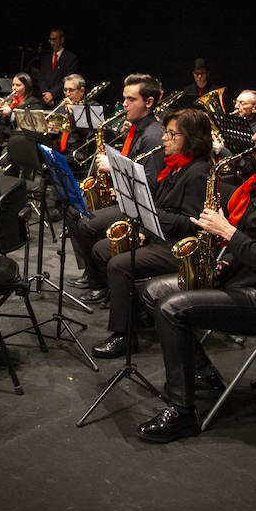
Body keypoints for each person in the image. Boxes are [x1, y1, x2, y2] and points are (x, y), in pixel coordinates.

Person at [136, 99, 256, 442]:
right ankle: (203, 373)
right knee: (152, 291)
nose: (255, 138)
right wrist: (224, 259)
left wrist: (228, 234)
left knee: (172, 308)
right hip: (242, 275)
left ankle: (182, 412)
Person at [88, 109, 213, 358]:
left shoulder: (198, 172)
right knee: (101, 249)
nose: (164, 138)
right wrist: (144, 228)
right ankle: (136, 312)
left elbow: (192, 223)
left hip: (179, 247)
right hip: (159, 236)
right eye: (165, 132)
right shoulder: (174, 167)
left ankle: (124, 335)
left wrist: (150, 214)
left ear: (192, 139)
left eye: (171, 134)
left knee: (119, 265)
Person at [69, 73, 167, 298]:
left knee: (85, 224)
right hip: (124, 196)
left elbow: (150, 186)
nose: (124, 104)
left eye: (131, 99)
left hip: (139, 209)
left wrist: (114, 169)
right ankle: (92, 274)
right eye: (124, 98)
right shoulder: (135, 127)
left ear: (149, 102)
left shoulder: (152, 136)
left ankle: (100, 284)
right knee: (73, 210)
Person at [31, 27, 80, 105]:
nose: (52, 43)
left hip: (60, 100)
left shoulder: (70, 58)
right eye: (50, 40)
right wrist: (46, 94)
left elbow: (67, 80)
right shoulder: (46, 58)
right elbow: (41, 78)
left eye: (54, 39)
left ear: (62, 40)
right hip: (45, 100)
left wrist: (52, 94)